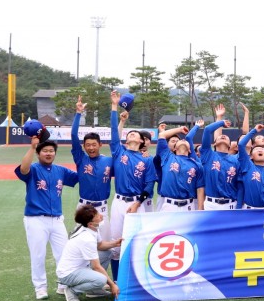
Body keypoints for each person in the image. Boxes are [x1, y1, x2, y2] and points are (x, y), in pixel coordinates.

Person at [15, 136, 79, 299]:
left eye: (51, 151)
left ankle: (63, 284)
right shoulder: (33, 169)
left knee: (64, 254)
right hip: (36, 219)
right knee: (38, 254)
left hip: (57, 219)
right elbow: (23, 169)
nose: (49, 153)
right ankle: (40, 287)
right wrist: (32, 147)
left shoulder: (61, 170)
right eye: (45, 151)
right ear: (38, 153)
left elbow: (79, 177)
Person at [108, 92, 160, 279]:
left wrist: (138, 203)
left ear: (141, 141)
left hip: (136, 204)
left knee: (140, 242)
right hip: (119, 202)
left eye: (135, 134)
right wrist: (115, 108)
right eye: (129, 133)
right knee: (116, 242)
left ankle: (140, 281)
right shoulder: (118, 152)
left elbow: (149, 184)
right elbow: (114, 134)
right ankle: (116, 281)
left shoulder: (146, 160)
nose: (132, 134)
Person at [70, 96, 114, 265]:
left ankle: (97, 283)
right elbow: (74, 135)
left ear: (100, 144)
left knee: (104, 247)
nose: (90, 147)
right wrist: (78, 113)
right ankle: (72, 280)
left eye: (93, 144)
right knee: (78, 245)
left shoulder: (108, 161)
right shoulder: (81, 159)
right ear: (84, 146)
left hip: (102, 208)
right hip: (84, 207)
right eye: (87, 144)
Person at [56, 204, 122, 301]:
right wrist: (112, 285)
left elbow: (100, 245)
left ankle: (94, 291)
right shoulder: (87, 238)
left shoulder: (92, 228)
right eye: (97, 216)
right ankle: (72, 291)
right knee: (101, 280)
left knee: (107, 253)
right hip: (68, 274)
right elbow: (96, 267)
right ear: (91, 223)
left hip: (79, 267)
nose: (101, 216)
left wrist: (115, 243)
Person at [155, 126, 205, 211]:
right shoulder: (167, 157)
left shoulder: (197, 165)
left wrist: (200, 208)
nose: (183, 140)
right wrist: (179, 129)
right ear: (174, 148)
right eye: (178, 141)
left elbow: (200, 188)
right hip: (169, 206)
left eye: (185, 141)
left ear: (190, 150)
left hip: (189, 206)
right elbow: (162, 135)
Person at [237, 123, 264, 209]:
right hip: (249, 211)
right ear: (251, 156)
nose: (260, 150)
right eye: (256, 149)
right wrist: (254, 130)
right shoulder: (247, 166)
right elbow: (241, 145)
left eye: (262, 150)